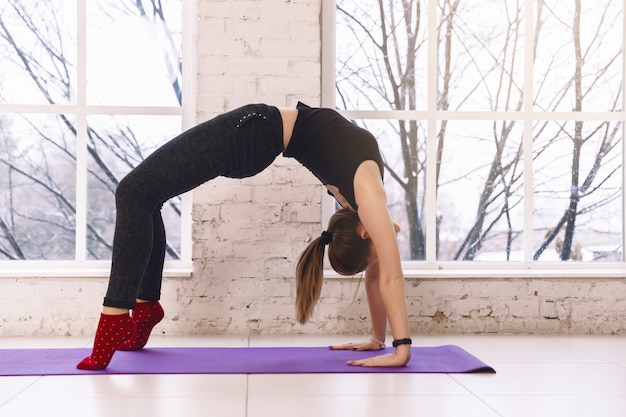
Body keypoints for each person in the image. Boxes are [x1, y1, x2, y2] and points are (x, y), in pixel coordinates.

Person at [77, 102, 412, 370]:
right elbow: (389, 278)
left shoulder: (361, 205)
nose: (385, 249)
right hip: (252, 132)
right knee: (141, 196)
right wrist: (400, 347)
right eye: (377, 251)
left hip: (253, 135)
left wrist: (381, 340)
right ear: (365, 231)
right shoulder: (368, 198)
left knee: (136, 194)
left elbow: (379, 278)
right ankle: (141, 307)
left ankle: (120, 315)